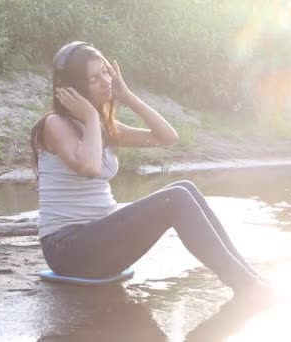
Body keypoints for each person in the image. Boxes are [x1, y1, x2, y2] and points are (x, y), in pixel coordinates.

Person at [30, 41, 268, 296]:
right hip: (68, 250)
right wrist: (89, 115)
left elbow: (167, 137)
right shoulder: (55, 124)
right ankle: (247, 287)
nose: (105, 80)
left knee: (184, 187)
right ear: (74, 87)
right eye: (94, 78)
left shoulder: (102, 127)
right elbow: (89, 167)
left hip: (97, 242)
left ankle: (249, 277)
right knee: (174, 199)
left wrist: (127, 97)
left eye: (106, 72)